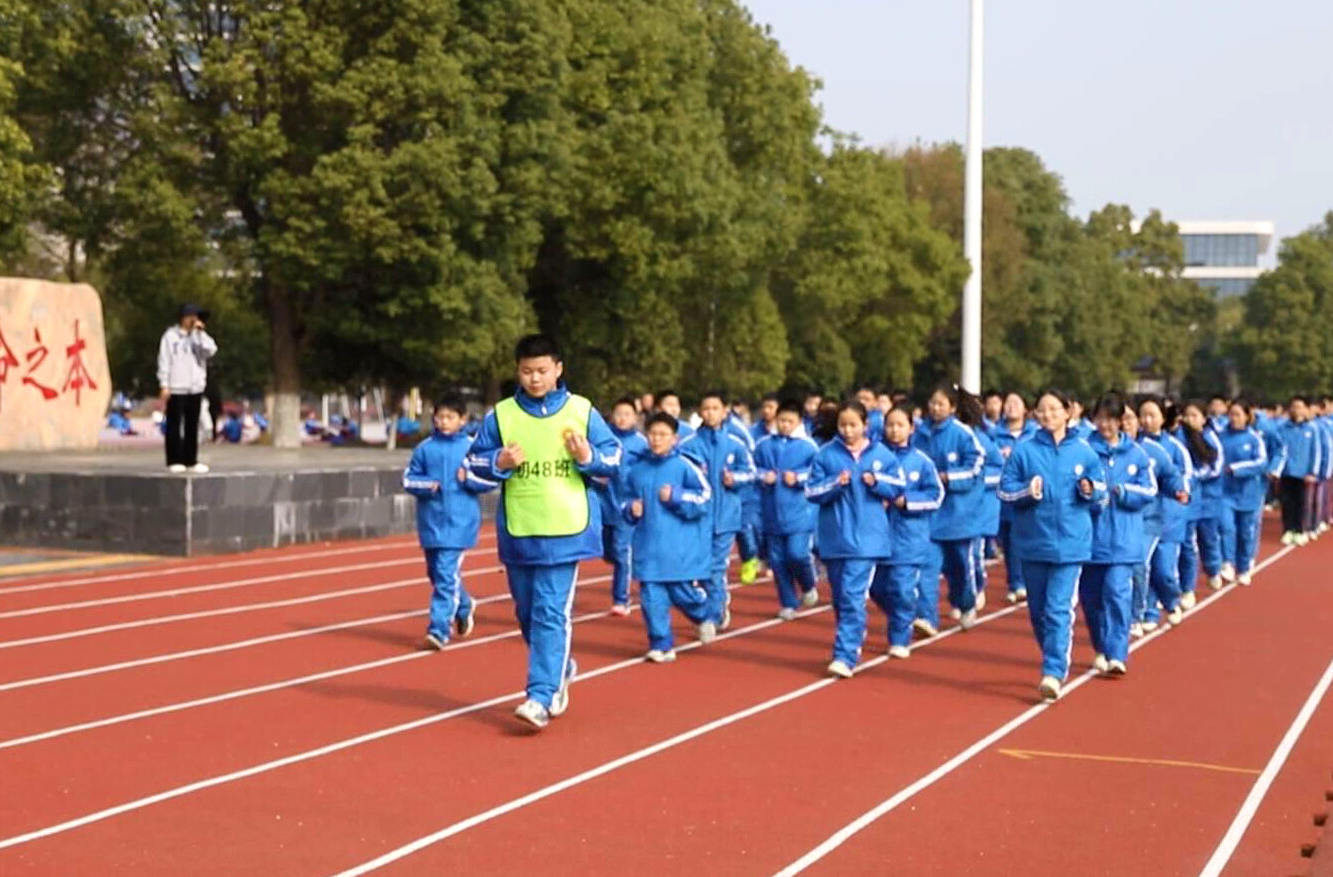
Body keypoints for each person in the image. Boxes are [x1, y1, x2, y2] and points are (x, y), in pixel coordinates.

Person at [466, 334, 622, 731]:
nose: (534, 379)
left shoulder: (581, 410)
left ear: (558, 370)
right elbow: (472, 466)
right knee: (527, 615)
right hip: (520, 527)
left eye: (542, 371)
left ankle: (541, 695)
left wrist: (588, 456)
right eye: (526, 371)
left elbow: (614, 458)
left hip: (567, 528)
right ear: (517, 371)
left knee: (551, 612)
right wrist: (498, 461)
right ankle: (561, 666)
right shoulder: (501, 415)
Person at [1000, 389, 1106, 702]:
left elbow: (1101, 489)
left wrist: (1089, 489)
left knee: (1059, 609)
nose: (1048, 415)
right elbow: (1004, 492)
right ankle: (1052, 655)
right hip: (1032, 542)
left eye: (1054, 409)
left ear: (1067, 413)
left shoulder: (1084, 451)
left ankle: (1053, 671)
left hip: (1071, 544)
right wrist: (1026, 492)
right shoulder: (1024, 450)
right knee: (1038, 612)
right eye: (1042, 410)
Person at [805, 401, 904, 678]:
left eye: (853, 425)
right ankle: (870, 627)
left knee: (851, 595)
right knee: (840, 597)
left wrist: (878, 483)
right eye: (842, 425)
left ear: (865, 425)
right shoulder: (826, 455)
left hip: (867, 539)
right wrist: (836, 483)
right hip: (835, 537)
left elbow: (897, 487)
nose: (848, 430)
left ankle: (845, 654)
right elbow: (811, 491)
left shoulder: (882, 455)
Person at [402, 397, 499, 650]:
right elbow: (409, 479)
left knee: (445, 574)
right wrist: (426, 485)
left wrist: (469, 479)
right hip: (431, 522)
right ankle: (464, 605)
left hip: (460, 523)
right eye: (440, 417)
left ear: (462, 420)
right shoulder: (425, 448)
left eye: (450, 417)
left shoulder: (472, 447)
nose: (444, 422)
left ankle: (438, 630)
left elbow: (490, 480)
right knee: (436, 573)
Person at [622, 413, 717, 661]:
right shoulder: (636, 470)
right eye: (652, 434)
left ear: (674, 439)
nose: (656, 439)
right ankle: (660, 643)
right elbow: (623, 500)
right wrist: (631, 509)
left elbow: (705, 498)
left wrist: (677, 497)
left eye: (663, 435)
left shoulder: (685, 466)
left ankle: (704, 614)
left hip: (680, 549)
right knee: (651, 599)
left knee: (682, 594)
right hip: (648, 547)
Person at [1082, 393, 1156, 676]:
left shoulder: (1136, 454)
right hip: (1090, 540)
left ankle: (1117, 653)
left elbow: (1149, 491)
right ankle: (1101, 646)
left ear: (1121, 421)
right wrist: (1088, 493)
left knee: (1116, 593)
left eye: (1111, 419)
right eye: (1101, 418)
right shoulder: (1085, 450)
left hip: (1124, 540)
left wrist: (1123, 492)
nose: (1105, 425)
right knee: (1091, 599)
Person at [679, 391, 756, 630]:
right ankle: (717, 603)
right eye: (706, 408)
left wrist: (736, 478)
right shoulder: (688, 446)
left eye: (715, 408)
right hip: (697, 518)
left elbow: (752, 472)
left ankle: (713, 614)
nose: (711, 412)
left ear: (725, 411)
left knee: (715, 566)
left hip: (726, 517)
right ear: (700, 412)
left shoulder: (736, 444)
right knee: (699, 568)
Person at [872, 405, 944, 658]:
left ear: (912, 428)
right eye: (890, 424)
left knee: (902, 589)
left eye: (900, 425)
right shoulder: (875, 457)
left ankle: (899, 637)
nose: (894, 430)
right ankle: (904, 616)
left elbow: (936, 497)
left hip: (908, 538)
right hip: (876, 538)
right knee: (877, 589)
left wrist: (908, 501)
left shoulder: (922, 462)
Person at [914, 385, 987, 630]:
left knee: (960, 570)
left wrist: (949, 477)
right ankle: (927, 616)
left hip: (959, 515)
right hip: (930, 514)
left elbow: (976, 465)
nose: (935, 408)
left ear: (953, 407)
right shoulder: (920, 433)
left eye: (941, 404)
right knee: (927, 567)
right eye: (932, 403)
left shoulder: (963, 434)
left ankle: (966, 603)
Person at [754, 400, 821, 620]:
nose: (784, 425)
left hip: (800, 513)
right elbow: (752, 470)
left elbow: (818, 473)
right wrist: (765, 477)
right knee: (778, 561)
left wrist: (799, 478)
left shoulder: (808, 446)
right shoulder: (764, 445)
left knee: (797, 554)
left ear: (799, 422)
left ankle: (808, 584)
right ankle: (788, 602)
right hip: (772, 513)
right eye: (781, 420)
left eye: (790, 421)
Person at [1135, 397, 1191, 634]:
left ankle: (1171, 600)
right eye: (1143, 415)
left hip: (1170, 520)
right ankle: (1149, 611)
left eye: (1152, 415)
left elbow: (1185, 477)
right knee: (1143, 565)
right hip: (1145, 519)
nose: (1147, 420)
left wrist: (1181, 492)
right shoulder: (1134, 446)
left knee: (1164, 570)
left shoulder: (1173, 446)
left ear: (1162, 417)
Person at [600, 397, 649, 615]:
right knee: (606, 551)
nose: (622, 418)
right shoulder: (602, 438)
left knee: (621, 552)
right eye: (618, 413)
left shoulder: (641, 443)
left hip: (627, 505)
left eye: (627, 414)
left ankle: (621, 599)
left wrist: (641, 500)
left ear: (635, 418)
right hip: (603, 503)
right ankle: (631, 561)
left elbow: (649, 472)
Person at [157, 303, 218, 473]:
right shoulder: (170, 336)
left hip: (195, 386)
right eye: (192, 316)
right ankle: (174, 459)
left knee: (193, 424)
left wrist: (199, 333)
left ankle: (191, 459)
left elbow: (211, 350)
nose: (194, 320)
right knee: (175, 424)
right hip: (176, 386)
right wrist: (164, 384)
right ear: (183, 317)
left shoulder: (199, 337)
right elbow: (164, 360)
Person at [1177, 400, 1226, 602]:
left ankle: (1214, 569)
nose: (1190, 420)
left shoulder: (1210, 437)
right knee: (1187, 544)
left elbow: (1216, 467)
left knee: (1208, 538)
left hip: (1209, 498)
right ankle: (1187, 588)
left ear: (1204, 419)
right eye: (1187, 415)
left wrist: (1194, 475)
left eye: (1195, 415)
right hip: (1188, 499)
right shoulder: (1180, 437)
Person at [994, 392, 1037, 603]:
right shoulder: (995, 433)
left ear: (1025, 409)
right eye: (1008, 402)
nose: (1011, 406)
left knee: (1021, 539)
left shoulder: (1034, 433)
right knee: (1007, 541)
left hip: (1027, 496)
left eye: (1016, 403)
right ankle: (1014, 582)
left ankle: (1022, 582)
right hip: (1002, 498)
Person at [1218, 399, 1268, 586]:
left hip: (1248, 493)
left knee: (1246, 533)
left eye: (1238, 414)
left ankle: (1244, 566)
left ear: (1247, 416)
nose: (1234, 418)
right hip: (1225, 492)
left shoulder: (1254, 438)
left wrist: (1236, 469)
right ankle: (1228, 562)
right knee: (1226, 527)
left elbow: (1261, 463)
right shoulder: (1221, 436)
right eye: (1231, 414)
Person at [1277, 396, 1321, 545]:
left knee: (1302, 503)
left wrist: (1313, 472)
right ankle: (1288, 530)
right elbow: (1279, 449)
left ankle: (1300, 530)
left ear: (1305, 409)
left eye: (1299, 406)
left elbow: (1316, 451)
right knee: (1287, 502)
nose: (1296, 410)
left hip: (1303, 473)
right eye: (1293, 406)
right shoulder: (1283, 428)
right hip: (1287, 471)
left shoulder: (1312, 428)